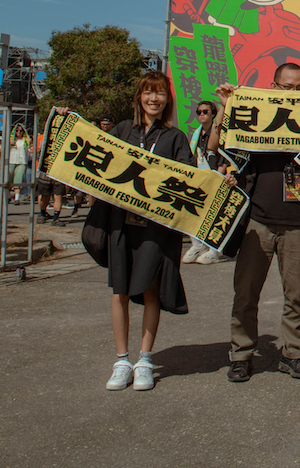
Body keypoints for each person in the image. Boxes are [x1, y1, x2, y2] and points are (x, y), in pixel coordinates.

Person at [215, 64, 300, 384]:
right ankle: (242, 354)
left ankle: (294, 354)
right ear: (273, 88)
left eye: (299, 88)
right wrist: (227, 106)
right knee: (246, 293)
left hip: (298, 222)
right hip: (257, 219)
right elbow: (220, 145)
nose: (292, 93)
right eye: (286, 87)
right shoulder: (259, 117)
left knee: (297, 293)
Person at [93, 72, 196, 391]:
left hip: (156, 227)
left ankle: (145, 359)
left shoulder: (175, 137)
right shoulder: (123, 130)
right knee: (119, 291)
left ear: (168, 99)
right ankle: (122, 360)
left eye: (160, 93)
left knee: (151, 289)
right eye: (149, 92)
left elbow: (189, 177)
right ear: (139, 96)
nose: (154, 98)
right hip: (121, 222)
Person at [183, 100, 225, 265]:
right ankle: (197, 245)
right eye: (199, 112)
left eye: (205, 111)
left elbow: (224, 155)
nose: (201, 114)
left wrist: (219, 176)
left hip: (214, 177)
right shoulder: (196, 134)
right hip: (198, 177)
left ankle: (214, 250)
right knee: (192, 210)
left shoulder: (218, 133)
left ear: (213, 114)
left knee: (215, 214)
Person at [8, 124, 29, 203]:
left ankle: (17, 198)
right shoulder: (11, 139)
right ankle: (8, 196)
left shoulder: (26, 140)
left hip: (22, 161)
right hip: (11, 160)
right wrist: (9, 143)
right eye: (17, 130)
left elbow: (29, 151)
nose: (19, 132)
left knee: (19, 179)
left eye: (20, 130)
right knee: (9, 178)